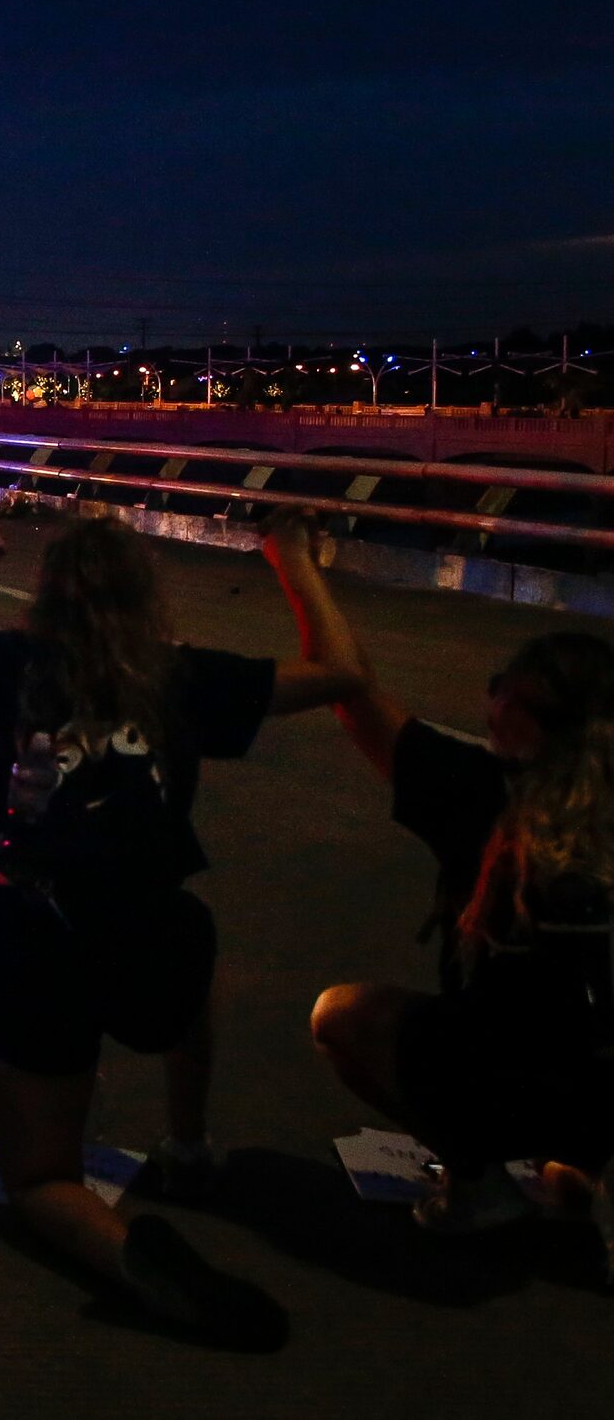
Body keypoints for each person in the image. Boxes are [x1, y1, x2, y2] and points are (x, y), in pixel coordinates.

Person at [0, 515, 360, 1350]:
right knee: (195, 931)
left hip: (37, 932)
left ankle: (128, 1258)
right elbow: (341, 671)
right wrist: (295, 563)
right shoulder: (181, 678)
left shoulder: (15, 668)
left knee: (42, 1176)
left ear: (48, 596)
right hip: (151, 934)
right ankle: (188, 1142)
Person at [264, 511, 614, 1257]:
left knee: (343, 1016)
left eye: (501, 691)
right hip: (597, 1091)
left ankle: (477, 1181)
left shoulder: (483, 797)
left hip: (505, 1085)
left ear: (521, 714)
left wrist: (294, 563)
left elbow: (350, 693)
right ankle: (583, 1169)